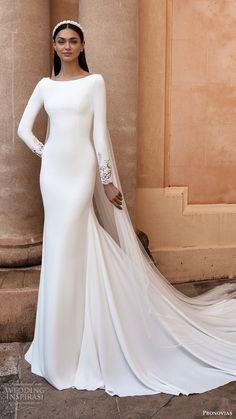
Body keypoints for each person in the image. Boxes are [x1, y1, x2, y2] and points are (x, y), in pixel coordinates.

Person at [17, 20, 236, 398]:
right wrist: (45, 152)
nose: (67, 46)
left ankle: (78, 341)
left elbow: (100, 132)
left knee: (72, 240)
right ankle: (57, 345)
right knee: (59, 248)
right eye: (61, 41)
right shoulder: (44, 85)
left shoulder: (95, 82)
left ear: (82, 44)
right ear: (54, 47)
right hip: (52, 175)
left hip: (82, 171)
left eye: (73, 41)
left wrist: (105, 177)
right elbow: (22, 128)